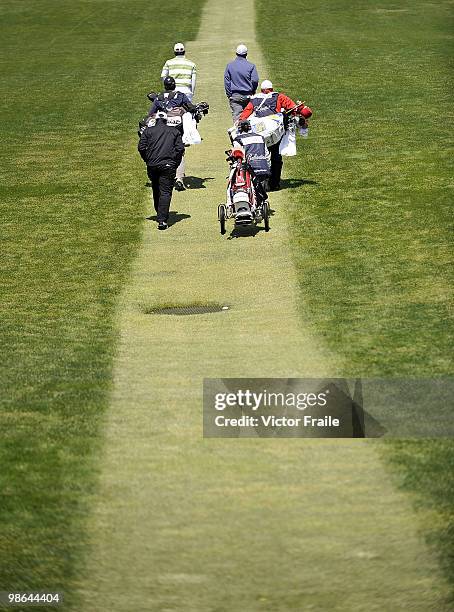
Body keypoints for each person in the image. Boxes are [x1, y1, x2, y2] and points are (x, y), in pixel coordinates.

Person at [239, 79, 312, 191]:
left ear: (262, 90)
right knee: (276, 157)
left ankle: (259, 181)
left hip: (258, 134)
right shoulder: (279, 96)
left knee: (259, 156)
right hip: (274, 133)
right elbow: (292, 108)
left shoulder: (254, 99)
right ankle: (274, 183)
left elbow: (244, 115)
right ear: (272, 89)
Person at [138, 111, 185, 230]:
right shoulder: (174, 131)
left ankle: (160, 213)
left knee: (156, 188)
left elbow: (141, 147)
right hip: (168, 165)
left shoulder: (148, 131)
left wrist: (147, 159)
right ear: (166, 120)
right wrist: (175, 162)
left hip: (152, 165)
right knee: (165, 191)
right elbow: (180, 149)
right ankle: (162, 220)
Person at [150, 76, 196, 191]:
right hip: (177, 129)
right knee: (179, 151)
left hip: (163, 130)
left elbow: (151, 114)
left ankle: (164, 177)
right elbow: (190, 107)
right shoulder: (180, 96)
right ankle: (179, 178)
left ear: (165, 86)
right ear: (174, 85)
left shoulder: (159, 98)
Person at [233, 120, 270, 206]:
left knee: (249, 191)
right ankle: (261, 207)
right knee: (260, 193)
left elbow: (239, 155)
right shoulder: (261, 137)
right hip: (264, 168)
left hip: (249, 170)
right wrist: (268, 166)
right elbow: (267, 154)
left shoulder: (238, 139)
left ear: (239, 129)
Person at [224, 44, 259, 120]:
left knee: (237, 119)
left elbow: (227, 82)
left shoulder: (229, 66)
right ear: (246, 54)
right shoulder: (251, 66)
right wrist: (252, 91)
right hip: (248, 96)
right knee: (249, 118)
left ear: (236, 53)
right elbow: (255, 80)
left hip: (235, 96)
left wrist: (229, 94)